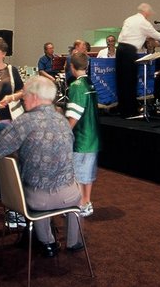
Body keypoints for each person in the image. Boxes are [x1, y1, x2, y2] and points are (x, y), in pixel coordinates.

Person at [0, 75, 83, 256]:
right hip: (68, 197)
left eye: (24, 94)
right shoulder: (63, 121)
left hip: (38, 201)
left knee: (33, 186)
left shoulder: (24, 122)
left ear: (34, 96)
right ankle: (74, 242)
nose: (23, 98)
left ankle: (48, 243)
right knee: (73, 187)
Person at [115, 3, 160, 119]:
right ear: (146, 12)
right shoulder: (143, 22)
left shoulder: (129, 19)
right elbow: (157, 35)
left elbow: (137, 34)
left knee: (121, 81)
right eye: (150, 12)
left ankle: (122, 109)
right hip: (129, 51)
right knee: (130, 81)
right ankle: (130, 110)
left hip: (120, 50)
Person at [65, 52, 99, 218]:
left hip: (80, 138)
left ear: (72, 66)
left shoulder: (76, 86)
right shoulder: (90, 83)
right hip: (93, 137)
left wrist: (64, 132)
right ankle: (86, 202)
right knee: (88, 174)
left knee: (78, 174)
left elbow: (74, 115)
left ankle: (79, 205)